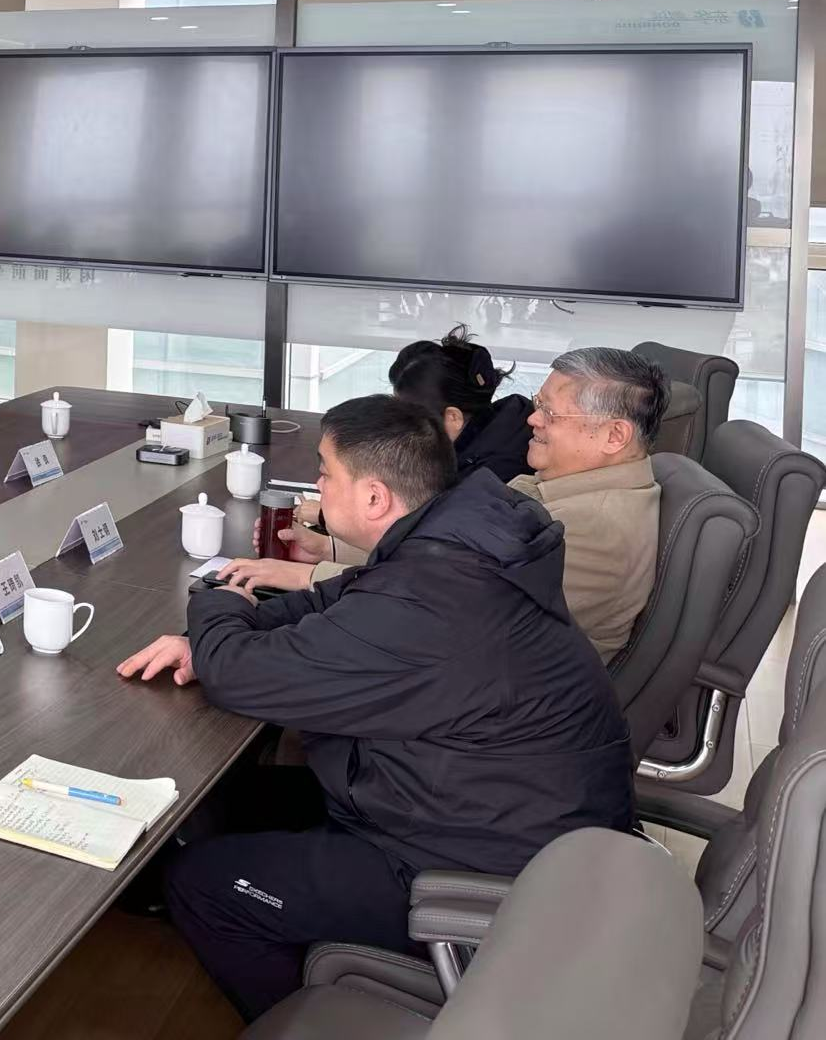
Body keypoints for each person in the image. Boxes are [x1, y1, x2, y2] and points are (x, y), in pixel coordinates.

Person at [116, 395, 633, 1021]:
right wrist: (218, 634)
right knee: (228, 799)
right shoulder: (458, 543)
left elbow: (238, 677)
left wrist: (216, 599)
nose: (317, 485)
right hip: (490, 811)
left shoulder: (431, 600)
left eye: (326, 472)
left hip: (479, 870)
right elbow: (341, 600)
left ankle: (312, 1025)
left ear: (373, 497)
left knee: (203, 886)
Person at [230, 347, 664, 659]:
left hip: (482, 725)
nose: (533, 419)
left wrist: (311, 576)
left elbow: (437, 598)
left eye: (551, 413)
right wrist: (330, 549)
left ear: (614, 436)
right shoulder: (564, 489)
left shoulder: (595, 529)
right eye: (538, 405)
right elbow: (448, 558)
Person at [389, 324, 533, 482]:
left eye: (409, 420)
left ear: (453, 417)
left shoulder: (480, 482)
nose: (400, 429)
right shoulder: (511, 423)